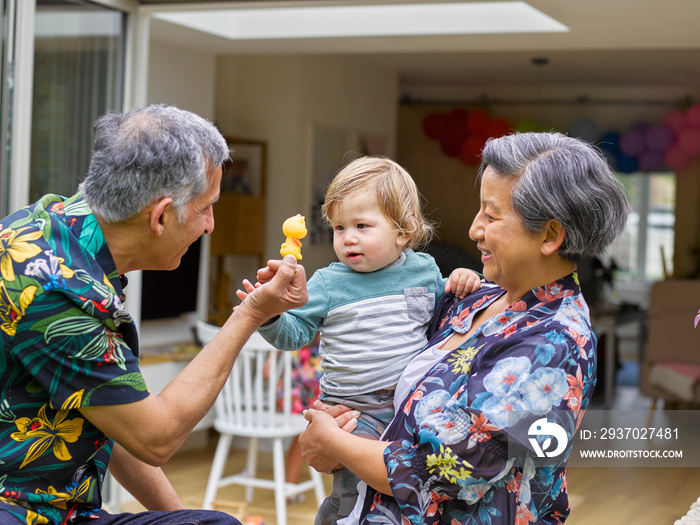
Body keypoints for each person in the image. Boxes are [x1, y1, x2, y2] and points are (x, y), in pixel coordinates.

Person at [297, 132, 630, 524]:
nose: (474, 229)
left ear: (550, 234)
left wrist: (332, 441)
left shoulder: (555, 341)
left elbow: (436, 471)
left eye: (490, 215)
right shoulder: (477, 298)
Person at [0, 104, 309, 525]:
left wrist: (184, 520)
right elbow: (155, 437)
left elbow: (116, 416)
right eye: (206, 208)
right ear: (161, 215)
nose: (210, 225)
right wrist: (250, 313)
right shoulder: (57, 291)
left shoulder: (56, 225)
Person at [246, 156, 481, 524]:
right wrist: (269, 313)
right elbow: (294, 334)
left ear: (403, 232)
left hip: (409, 405)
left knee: (408, 486)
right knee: (355, 492)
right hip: (353, 409)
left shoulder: (425, 271)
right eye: (339, 227)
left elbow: (444, 325)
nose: (348, 237)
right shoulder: (328, 283)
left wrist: (463, 280)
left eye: (361, 225)